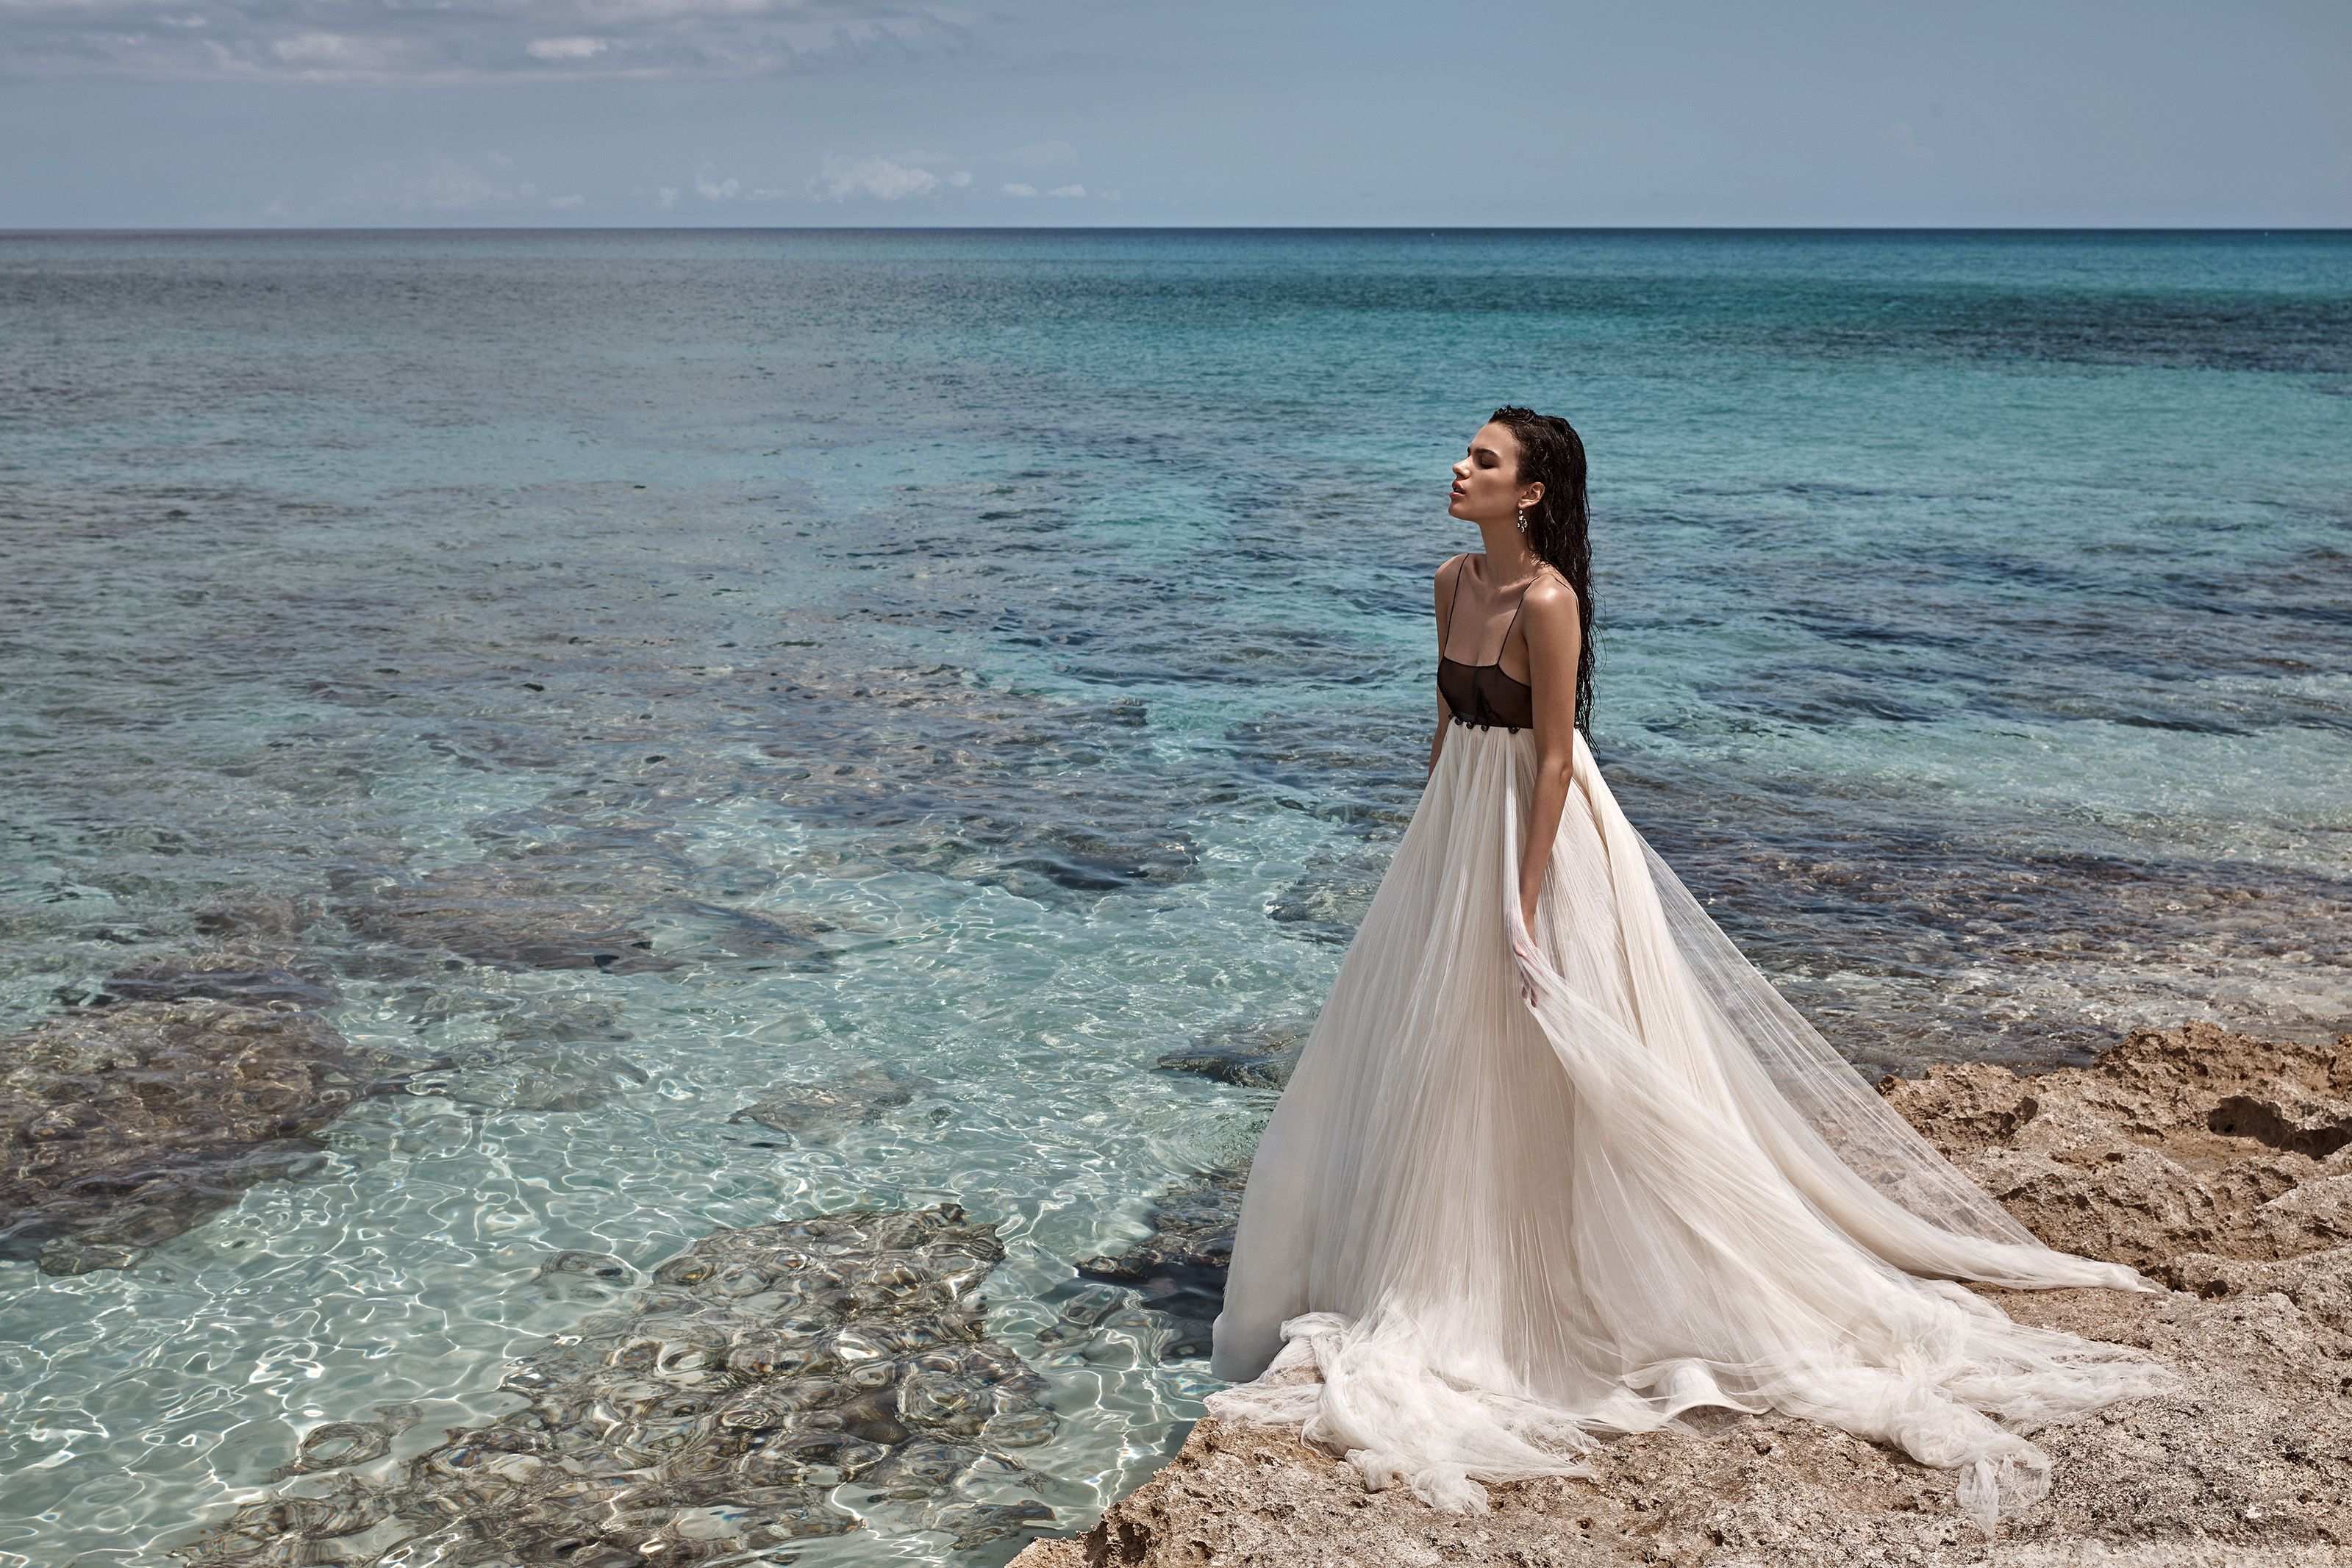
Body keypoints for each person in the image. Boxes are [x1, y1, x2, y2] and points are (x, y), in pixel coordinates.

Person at [1204, 407, 2170, 1530]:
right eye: (1465, 453)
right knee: (1438, 1065)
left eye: (1484, 458)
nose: (1457, 467)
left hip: (1547, 848)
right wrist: (1423, 864)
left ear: (1532, 493)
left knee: (1561, 1059)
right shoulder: (1449, 581)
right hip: (1458, 833)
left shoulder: (1550, 602)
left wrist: (1519, 908)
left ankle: (1578, 1287)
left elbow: (1557, 758)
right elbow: (1443, 727)